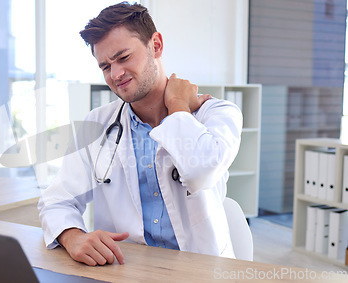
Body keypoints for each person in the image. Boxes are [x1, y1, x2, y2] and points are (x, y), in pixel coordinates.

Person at [37, 2, 242, 266]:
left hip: (201, 271)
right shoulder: (97, 124)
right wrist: (71, 235)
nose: (116, 74)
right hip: (125, 270)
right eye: (105, 66)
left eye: (123, 58)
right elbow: (56, 200)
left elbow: (200, 172)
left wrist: (178, 106)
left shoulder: (217, 114)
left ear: (155, 45)